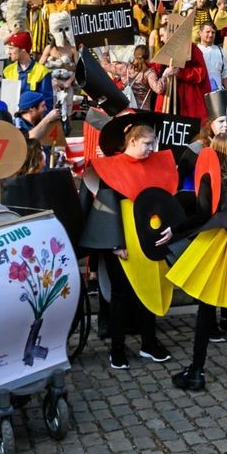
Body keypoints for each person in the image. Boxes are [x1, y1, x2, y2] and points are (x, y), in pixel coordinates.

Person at [167, 129, 227, 391]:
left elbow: (202, 212)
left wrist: (175, 230)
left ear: (215, 149)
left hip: (219, 239)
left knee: (207, 306)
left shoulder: (211, 168)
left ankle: (196, 371)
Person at [79, 116, 174, 369]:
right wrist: (115, 243)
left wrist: (168, 230)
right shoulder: (111, 168)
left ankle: (149, 343)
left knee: (150, 289)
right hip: (121, 242)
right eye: (147, 143)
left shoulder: (155, 163)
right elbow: (106, 210)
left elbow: (164, 201)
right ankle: (117, 349)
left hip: (149, 238)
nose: (152, 149)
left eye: (153, 143)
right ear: (132, 141)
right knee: (121, 295)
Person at [2, 30, 53, 96]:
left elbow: (47, 101)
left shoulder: (42, 72)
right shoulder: (7, 71)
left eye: (11, 48)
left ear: (23, 49)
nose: (9, 52)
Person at [196, 22, 227, 93]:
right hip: (199, 93)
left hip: (217, 93)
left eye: (213, 32)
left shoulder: (220, 51)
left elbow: (225, 74)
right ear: (200, 33)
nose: (210, 35)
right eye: (207, 32)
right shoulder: (195, 50)